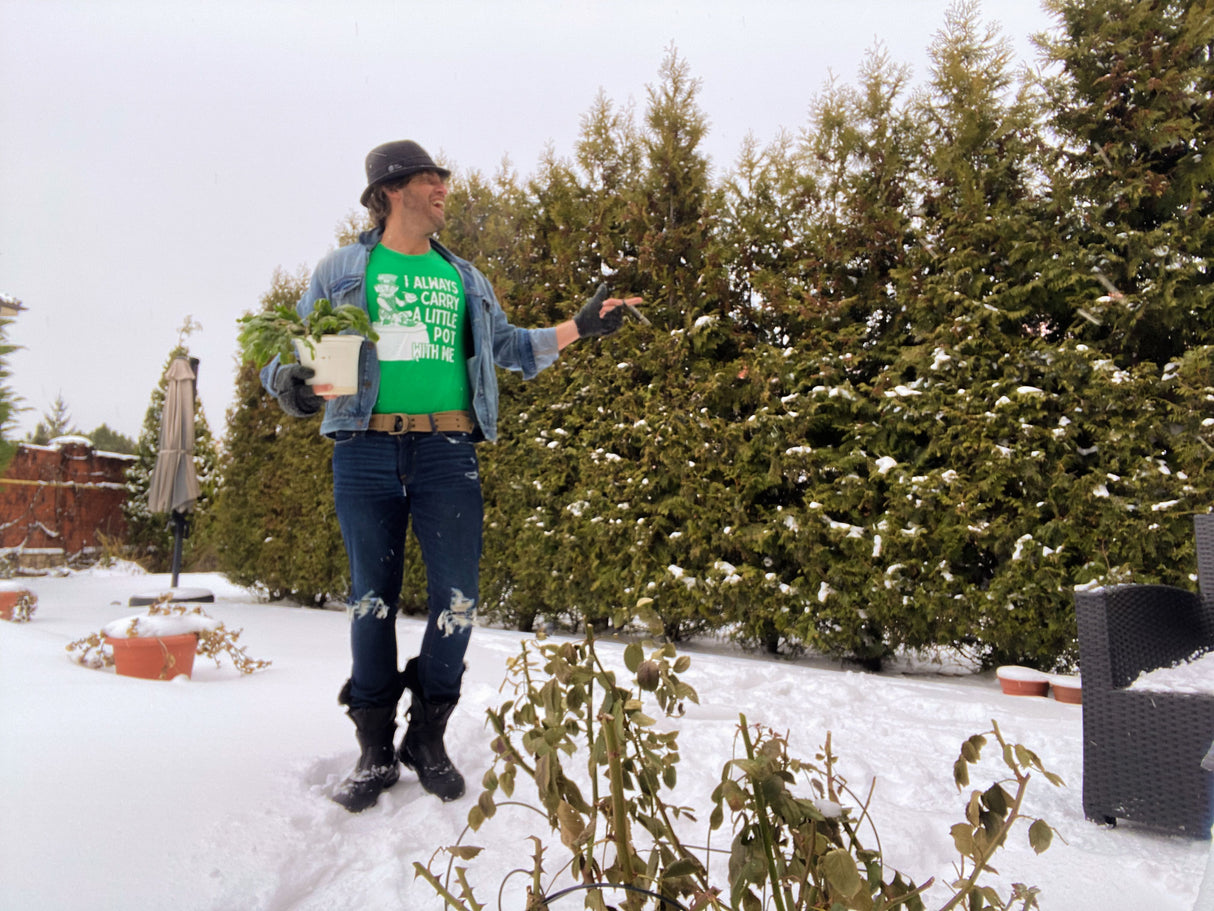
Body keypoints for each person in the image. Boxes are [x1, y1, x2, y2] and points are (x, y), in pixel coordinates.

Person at [260, 140, 643, 812]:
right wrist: (286, 380)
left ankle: (426, 734)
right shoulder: (344, 270)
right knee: (369, 602)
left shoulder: (463, 277)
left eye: (443, 179)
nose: (443, 189)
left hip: (448, 449)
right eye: (430, 179)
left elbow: (510, 348)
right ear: (391, 190)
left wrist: (579, 328)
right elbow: (293, 350)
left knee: (459, 600)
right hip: (365, 448)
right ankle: (375, 745)